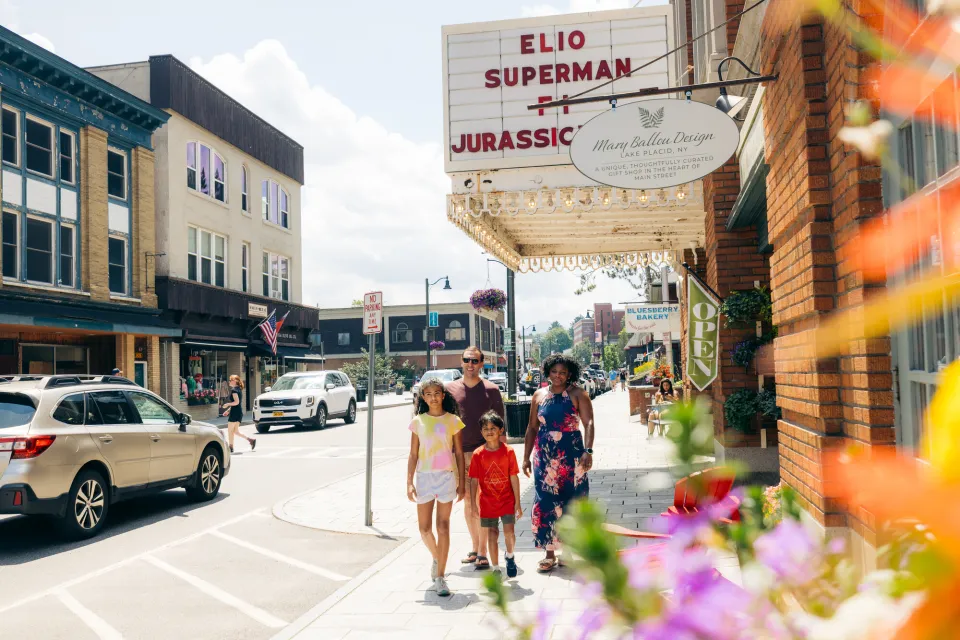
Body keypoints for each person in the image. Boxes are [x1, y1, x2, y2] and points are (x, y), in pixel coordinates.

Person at [523, 354, 594, 573]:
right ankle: (549, 553)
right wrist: (525, 457)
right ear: (547, 372)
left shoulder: (578, 394)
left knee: (571, 501)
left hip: (572, 455)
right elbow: (532, 428)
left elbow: (588, 422)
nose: (558, 376)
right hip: (544, 457)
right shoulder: (539, 395)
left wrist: (588, 450)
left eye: (562, 372)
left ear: (570, 373)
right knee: (545, 502)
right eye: (554, 372)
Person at [447, 346, 505, 571]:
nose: (470, 364)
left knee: (482, 501)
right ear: (461, 362)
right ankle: (475, 547)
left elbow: (502, 428)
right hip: (458, 454)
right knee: (468, 501)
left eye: (475, 360)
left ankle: (483, 552)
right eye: (466, 360)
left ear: (482, 363)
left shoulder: (491, 390)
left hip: (485, 454)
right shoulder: (450, 390)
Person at [407, 378, 466, 597]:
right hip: (424, 477)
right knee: (424, 529)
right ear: (423, 397)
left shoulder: (453, 421)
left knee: (443, 527)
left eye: (437, 393)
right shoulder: (418, 422)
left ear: (443, 395)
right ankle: (436, 556)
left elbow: (459, 453)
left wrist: (462, 482)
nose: (433, 397)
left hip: (446, 477)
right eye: (428, 394)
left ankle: (440, 577)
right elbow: (413, 454)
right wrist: (409, 483)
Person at [469, 411, 522, 579]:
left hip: (507, 500)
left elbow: (514, 477)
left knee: (509, 533)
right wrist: (473, 504)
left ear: (501, 430)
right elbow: (473, 480)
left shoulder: (509, 452)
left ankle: (510, 555)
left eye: (493, 428)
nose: (489, 431)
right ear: (481, 432)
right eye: (485, 428)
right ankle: (496, 568)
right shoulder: (478, 454)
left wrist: (518, 502)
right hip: (487, 502)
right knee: (492, 533)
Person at [221, 375, 256, 453]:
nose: (229, 382)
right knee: (236, 431)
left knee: (230, 431)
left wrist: (227, 404)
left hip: (235, 413)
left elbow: (236, 402)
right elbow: (237, 404)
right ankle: (251, 440)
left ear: (235, 381)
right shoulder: (239, 389)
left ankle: (230, 447)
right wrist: (228, 410)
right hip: (238, 412)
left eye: (230, 380)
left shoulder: (234, 390)